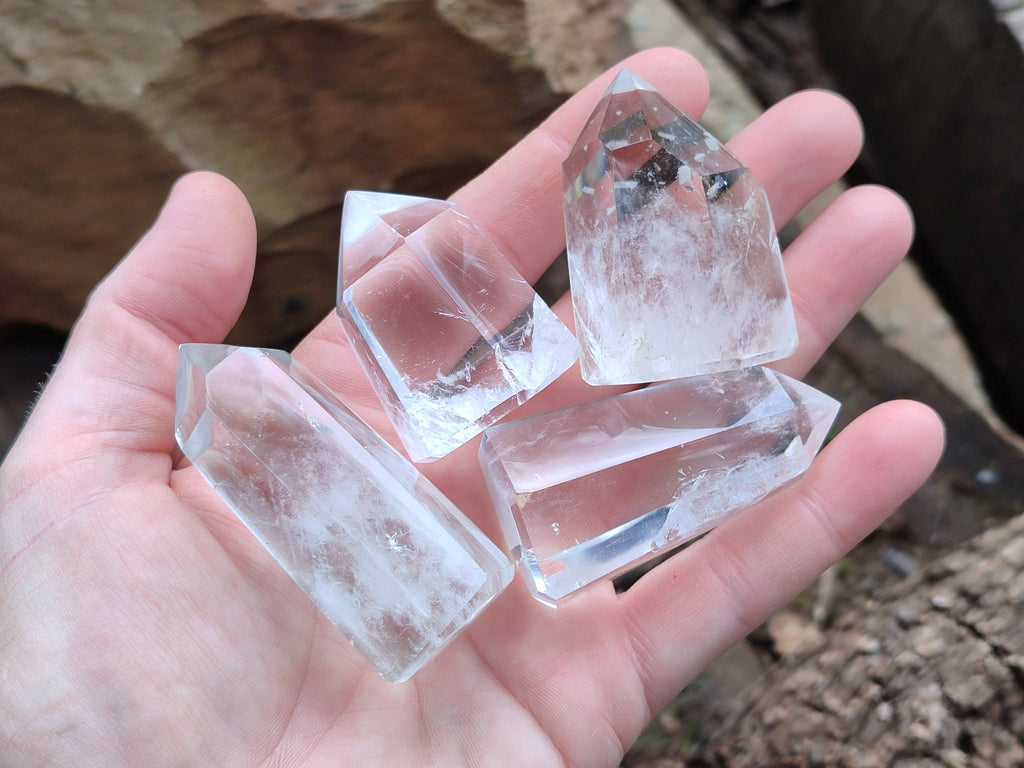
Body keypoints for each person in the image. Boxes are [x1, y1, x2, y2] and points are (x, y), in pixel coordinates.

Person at [0, 48, 943, 766]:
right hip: (496, 498)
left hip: (565, 452)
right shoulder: (246, 405)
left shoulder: (237, 395)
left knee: (692, 417)